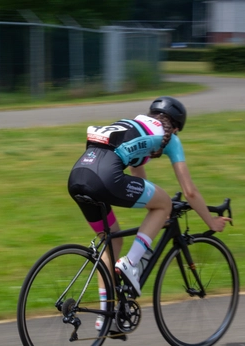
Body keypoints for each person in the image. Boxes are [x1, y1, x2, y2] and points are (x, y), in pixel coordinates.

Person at [67, 96, 231, 329]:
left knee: (112, 241)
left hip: (78, 176)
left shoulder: (135, 124)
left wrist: (151, 208)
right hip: (105, 177)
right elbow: (190, 192)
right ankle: (131, 264)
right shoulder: (171, 139)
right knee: (164, 204)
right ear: (174, 127)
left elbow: (138, 175)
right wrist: (211, 222)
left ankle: (106, 317)